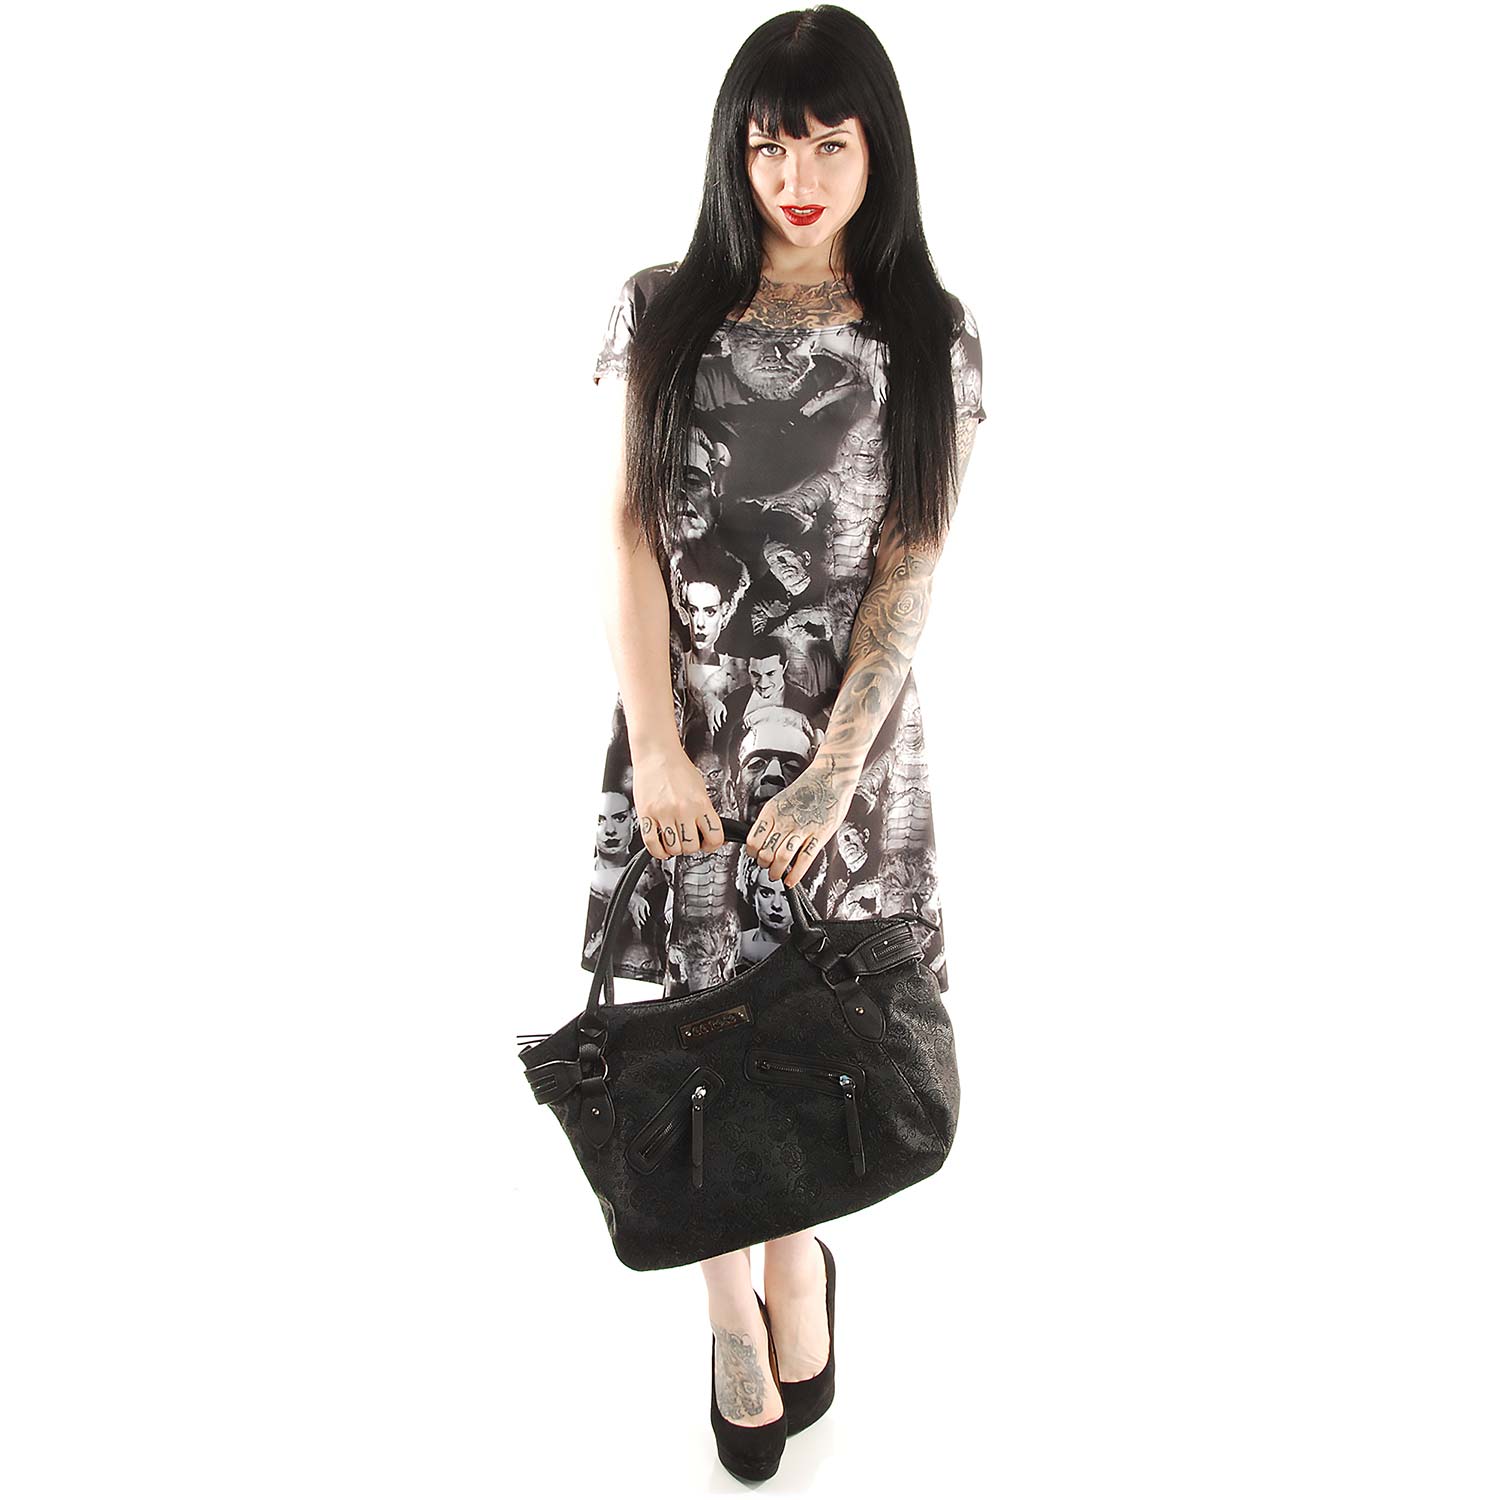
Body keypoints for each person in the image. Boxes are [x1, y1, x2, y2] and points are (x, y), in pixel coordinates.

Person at [581, 5, 984, 1478]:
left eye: (829, 143)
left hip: (845, 753)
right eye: (770, 145)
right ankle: (726, 1312)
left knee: (810, 1027)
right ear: (733, 152)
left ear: (879, 151)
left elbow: (911, 565)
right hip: (684, 732)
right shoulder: (661, 311)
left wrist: (831, 772)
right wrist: (656, 746)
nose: (798, 178)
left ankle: (800, 1260)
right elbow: (629, 538)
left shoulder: (924, 337)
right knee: (694, 1027)